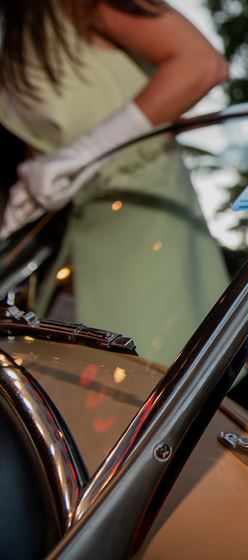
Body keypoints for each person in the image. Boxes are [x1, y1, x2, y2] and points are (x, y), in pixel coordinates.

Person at [0, 0, 230, 364]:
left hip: (148, 222)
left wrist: (84, 153)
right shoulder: (13, 33)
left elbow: (201, 65)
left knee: (146, 390)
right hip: (77, 241)